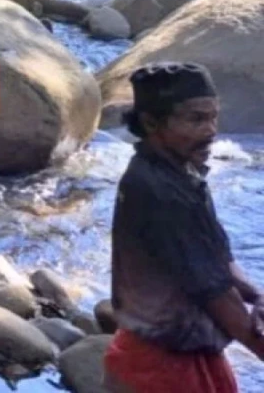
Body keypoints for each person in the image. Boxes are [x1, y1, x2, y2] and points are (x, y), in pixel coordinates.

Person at [104, 63, 264, 393]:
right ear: (151, 122)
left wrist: (257, 294)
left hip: (178, 355)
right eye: (196, 119)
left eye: (213, 117)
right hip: (160, 372)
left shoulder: (179, 174)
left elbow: (219, 260)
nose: (211, 130)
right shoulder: (159, 194)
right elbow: (217, 296)